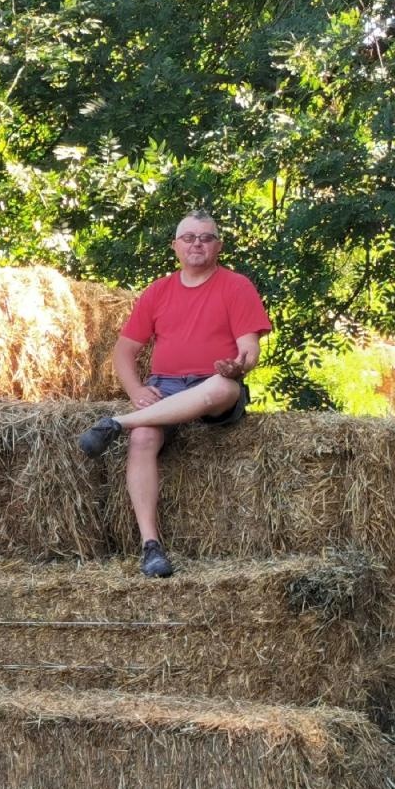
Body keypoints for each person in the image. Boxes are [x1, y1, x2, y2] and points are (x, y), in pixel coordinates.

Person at [76, 210, 273, 578]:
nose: (197, 243)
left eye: (206, 237)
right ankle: (151, 546)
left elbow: (249, 349)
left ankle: (116, 422)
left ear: (218, 246)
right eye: (189, 238)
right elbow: (123, 352)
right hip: (164, 385)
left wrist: (237, 367)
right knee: (143, 438)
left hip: (214, 382)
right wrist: (136, 389)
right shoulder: (158, 291)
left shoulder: (236, 286)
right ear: (175, 246)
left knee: (221, 388)